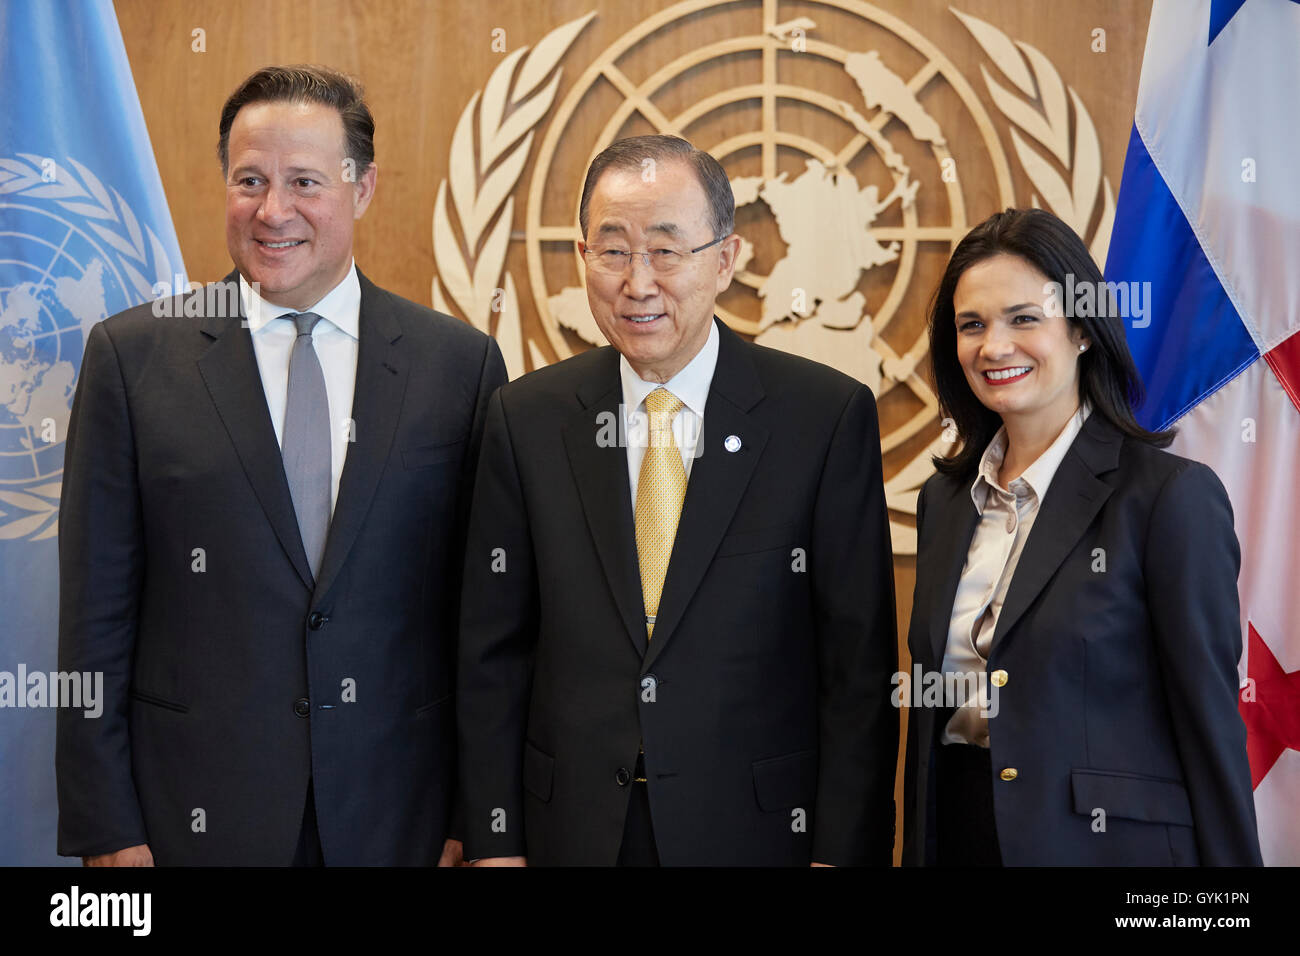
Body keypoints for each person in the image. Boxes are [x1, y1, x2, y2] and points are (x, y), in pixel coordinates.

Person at [55, 65, 506, 865]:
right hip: (187, 817)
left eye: (305, 181)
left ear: (362, 188)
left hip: (399, 814)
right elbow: (95, 616)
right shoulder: (132, 358)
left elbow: (483, 627)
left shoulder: (457, 367)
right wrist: (106, 826)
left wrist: (478, 812)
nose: (273, 211)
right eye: (250, 180)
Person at [457, 134, 897, 867]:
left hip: (757, 832)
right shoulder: (526, 418)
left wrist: (839, 851)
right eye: (613, 250)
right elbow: (491, 654)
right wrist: (494, 840)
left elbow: (857, 669)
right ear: (583, 256)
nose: (637, 282)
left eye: (666, 250)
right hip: (571, 829)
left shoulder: (821, 419)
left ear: (725, 259)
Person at [901, 207, 1261, 865]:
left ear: (1083, 330)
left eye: (1024, 319)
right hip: (959, 836)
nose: (994, 346)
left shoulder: (1168, 498)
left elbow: (1209, 729)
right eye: (971, 325)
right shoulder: (944, 501)